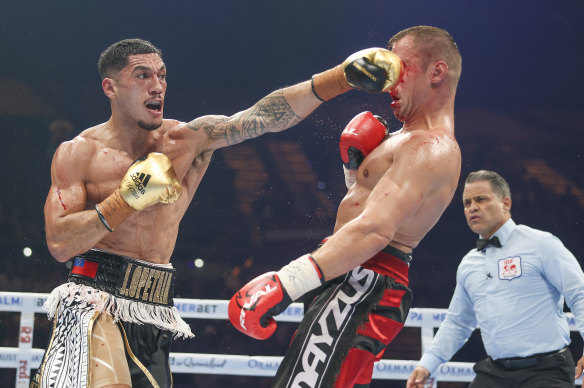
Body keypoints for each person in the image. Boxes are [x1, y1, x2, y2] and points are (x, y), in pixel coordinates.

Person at [32, 38, 404, 388]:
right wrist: (125, 200)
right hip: (93, 302)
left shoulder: (186, 141)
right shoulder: (78, 153)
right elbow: (61, 243)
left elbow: (262, 117)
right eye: (142, 75)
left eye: (161, 74)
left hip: (154, 308)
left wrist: (340, 77)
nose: (157, 85)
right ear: (110, 88)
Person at [228, 25, 462, 387]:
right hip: (352, 273)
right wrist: (354, 173)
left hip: (364, 278)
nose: (389, 82)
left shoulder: (430, 147)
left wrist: (286, 283)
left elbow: (376, 229)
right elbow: (365, 211)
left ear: (437, 72)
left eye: (401, 69)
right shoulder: (404, 140)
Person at [407, 170, 584, 388]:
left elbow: (579, 294)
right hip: (495, 373)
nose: (472, 207)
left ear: (505, 203)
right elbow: (458, 322)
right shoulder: (468, 264)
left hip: (547, 370)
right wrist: (427, 365)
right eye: (467, 202)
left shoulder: (541, 244)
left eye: (481, 199)